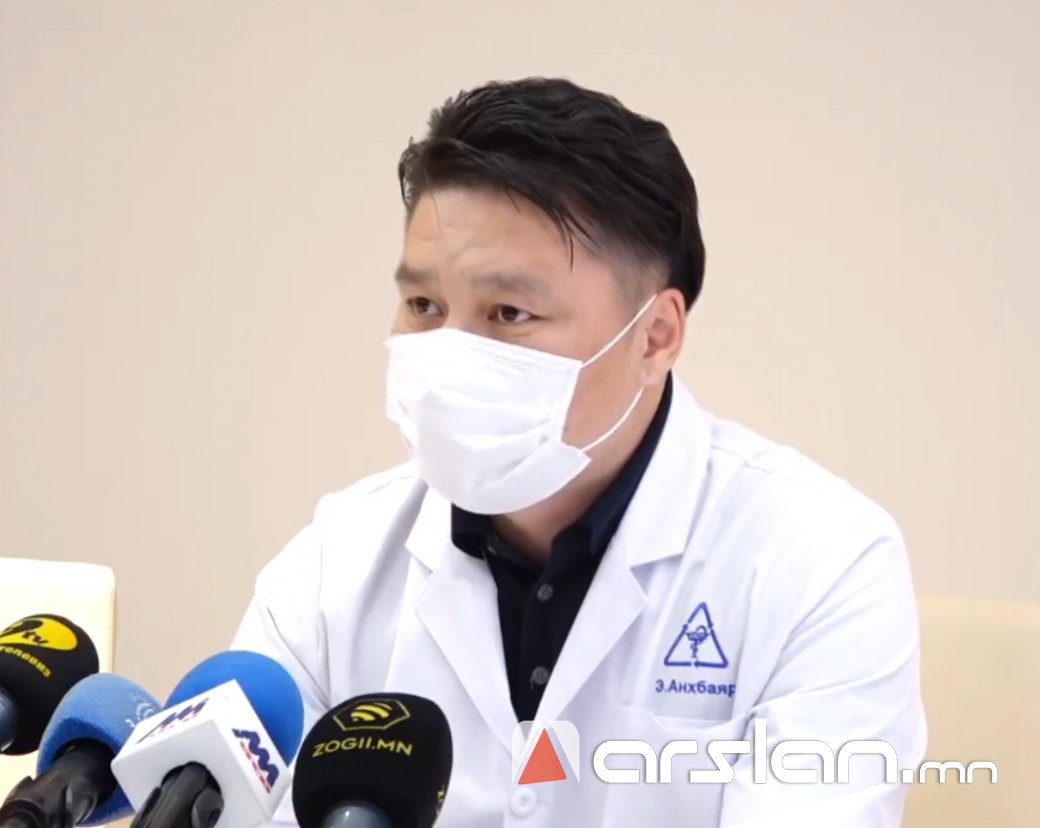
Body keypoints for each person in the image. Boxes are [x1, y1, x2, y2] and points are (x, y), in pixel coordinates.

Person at [234, 77, 926, 827]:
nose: (447, 356)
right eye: (424, 305)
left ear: (655, 336)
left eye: (509, 312)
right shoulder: (335, 562)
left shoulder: (820, 562)